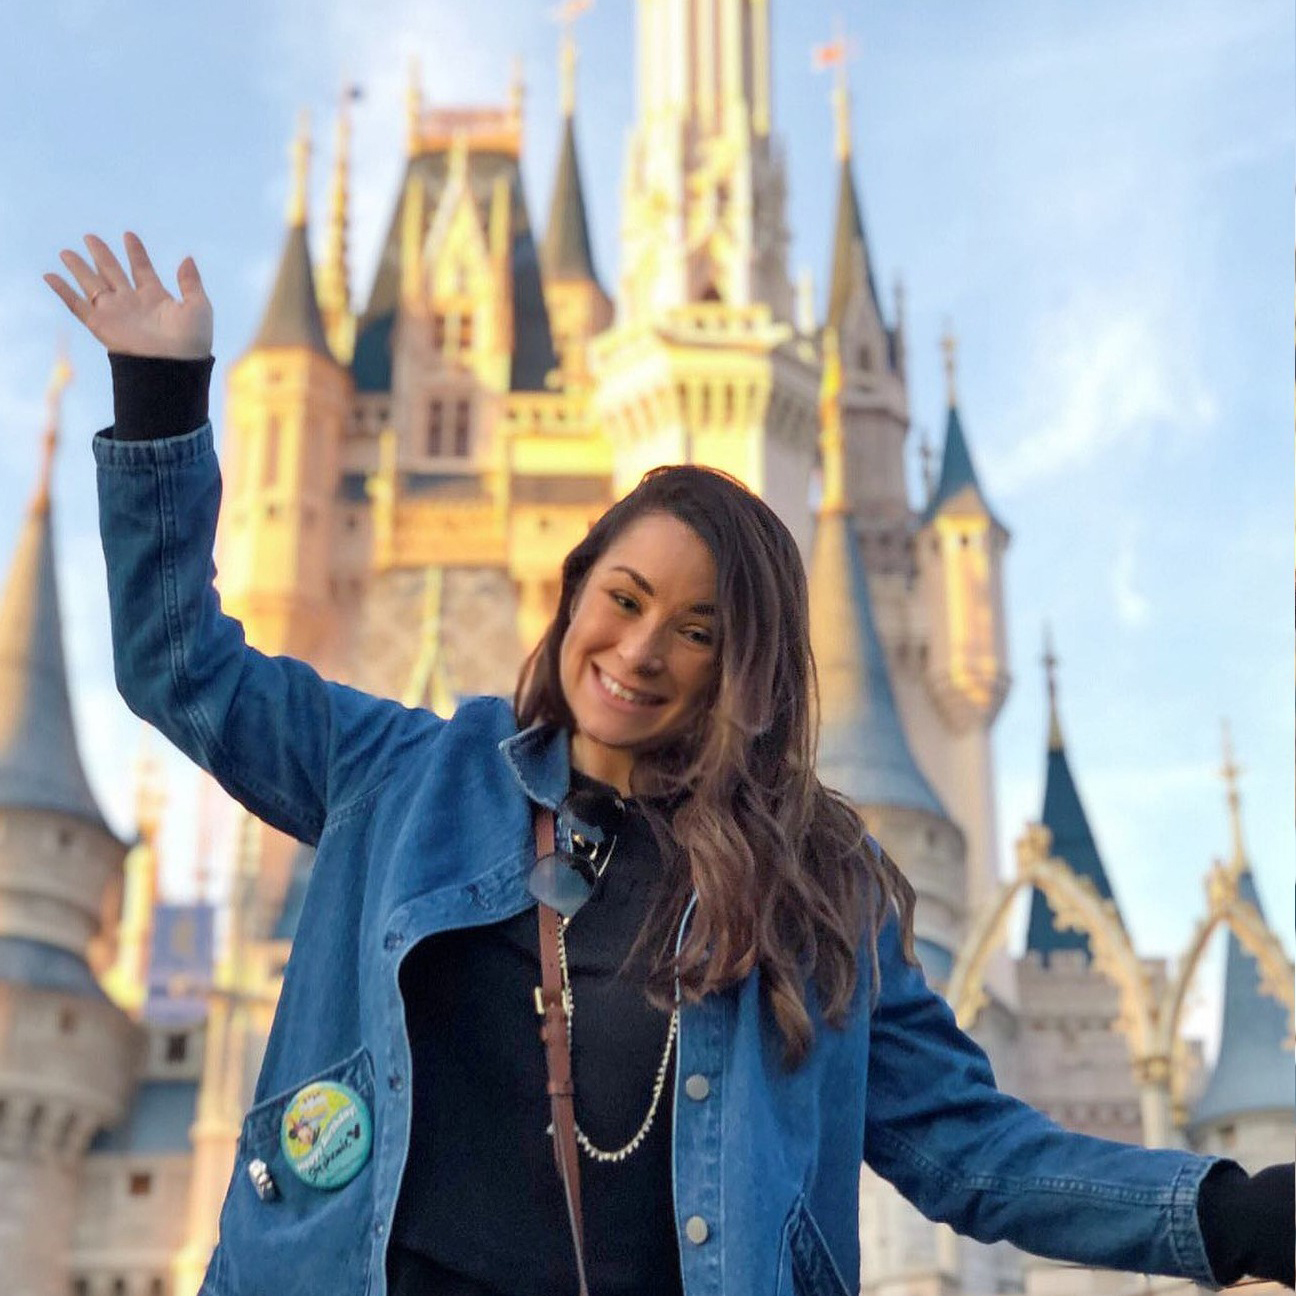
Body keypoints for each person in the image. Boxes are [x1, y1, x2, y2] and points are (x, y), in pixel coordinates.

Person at [47, 234, 1293, 1296]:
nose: (640, 652)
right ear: (574, 588)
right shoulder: (408, 776)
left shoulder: (818, 894)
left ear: (745, 666)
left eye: (697, 631)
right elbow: (183, 671)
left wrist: (1236, 1216)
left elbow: (973, 1152)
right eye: (624, 598)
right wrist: (162, 406)